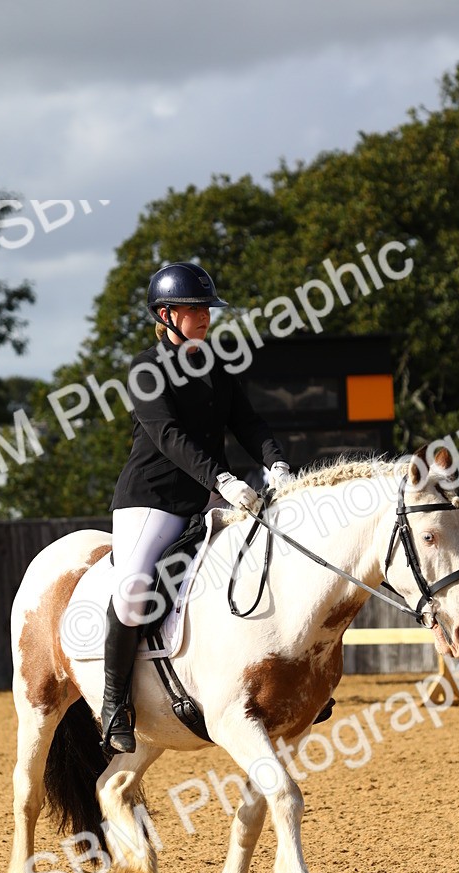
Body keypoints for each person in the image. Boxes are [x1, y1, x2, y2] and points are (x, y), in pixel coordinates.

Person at [101, 261, 293, 754]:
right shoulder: (146, 368)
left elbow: (250, 424)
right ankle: (114, 701)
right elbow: (168, 437)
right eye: (194, 309)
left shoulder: (217, 365)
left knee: (266, 561)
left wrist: (276, 465)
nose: (205, 317)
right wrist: (222, 478)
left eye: (207, 308)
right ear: (165, 314)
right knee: (133, 590)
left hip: (208, 497)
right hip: (154, 501)